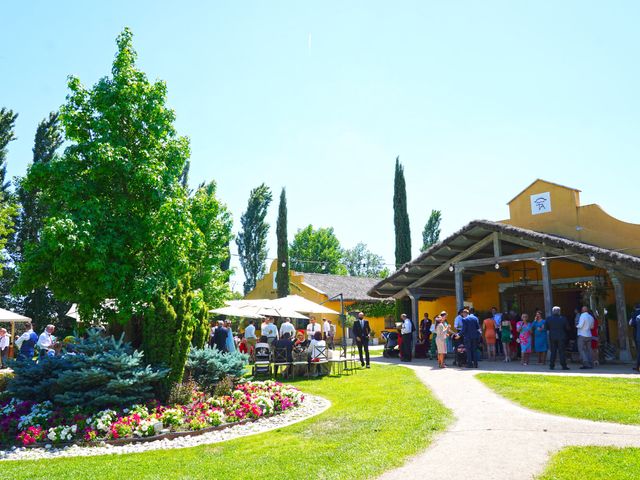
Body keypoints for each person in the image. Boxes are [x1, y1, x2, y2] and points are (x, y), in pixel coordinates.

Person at [545, 306, 570, 370]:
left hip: (552, 336)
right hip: (561, 336)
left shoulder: (548, 319)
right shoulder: (563, 318)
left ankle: (551, 365)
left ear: (553, 312)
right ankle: (563, 365)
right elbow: (567, 328)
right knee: (562, 352)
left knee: (553, 351)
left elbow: (546, 328)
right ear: (559, 312)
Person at [629, 307, 640, 372]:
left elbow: (631, 323)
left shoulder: (637, 317)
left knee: (639, 352)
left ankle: (637, 367)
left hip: (638, 336)